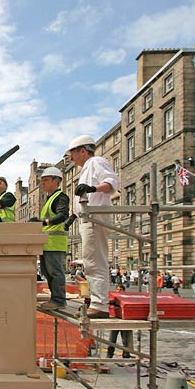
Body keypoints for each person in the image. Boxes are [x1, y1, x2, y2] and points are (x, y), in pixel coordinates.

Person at [68, 134, 120, 319]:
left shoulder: (96, 161)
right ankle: (96, 300)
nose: (71, 158)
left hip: (95, 218)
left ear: (82, 151)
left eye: (72, 153)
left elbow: (111, 183)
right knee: (91, 260)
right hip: (88, 218)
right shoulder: (86, 169)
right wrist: (72, 217)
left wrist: (93, 189)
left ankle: (100, 305)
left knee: (95, 260)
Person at [30, 167, 69, 311]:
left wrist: (43, 222)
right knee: (47, 272)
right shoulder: (49, 199)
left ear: (56, 180)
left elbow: (62, 215)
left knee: (55, 271)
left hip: (55, 243)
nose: (43, 184)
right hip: (47, 243)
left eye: (46, 180)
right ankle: (55, 298)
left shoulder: (60, 197)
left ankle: (59, 300)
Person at [107, 285, 133, 359]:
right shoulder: (114, 298)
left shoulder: (127, 298)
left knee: (125, 339)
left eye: (120, 289)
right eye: (117, 289)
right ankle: (110, 353)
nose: (118, 291)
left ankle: (126, 354)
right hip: (115, 320)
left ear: (124, 290)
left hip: (124, 321)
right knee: (112, 338)